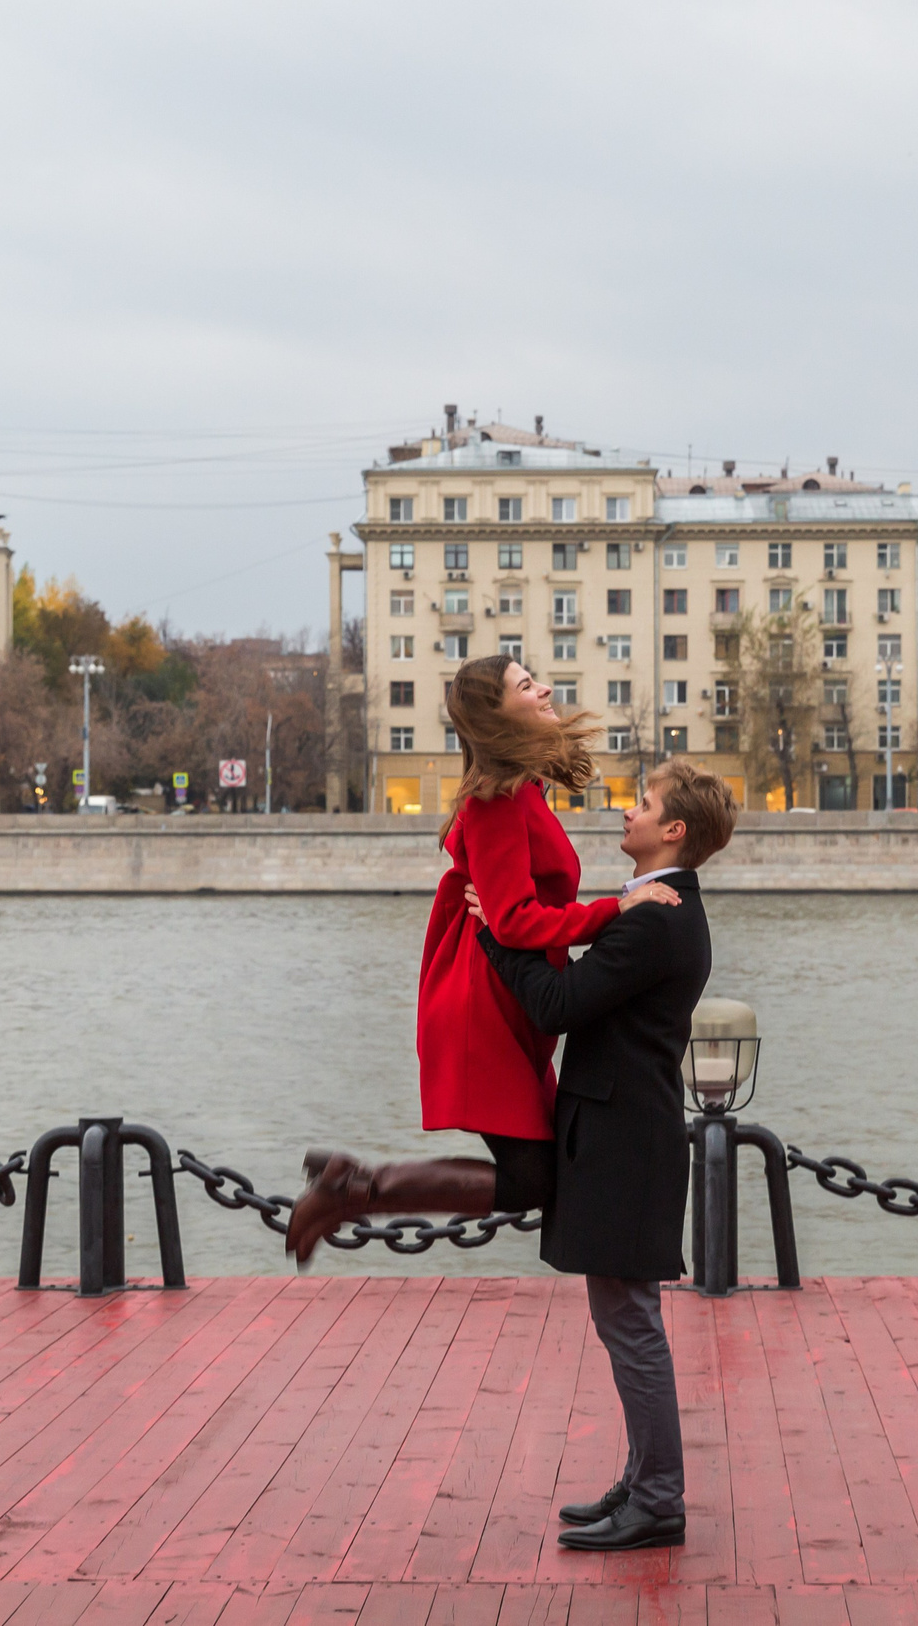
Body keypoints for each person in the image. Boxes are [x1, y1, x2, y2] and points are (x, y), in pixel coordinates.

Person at [284, 655, 681, 1263]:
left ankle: (352, 1184)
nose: (545, 688)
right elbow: (515, 921)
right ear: (496, 714)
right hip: (483, 1004)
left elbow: (515, 916)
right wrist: (615, 911)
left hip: (505, 999)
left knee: (540, 1175)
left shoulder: (522, 790)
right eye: (527, 685)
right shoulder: (498, 801)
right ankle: (354, 1188)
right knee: (532, 1179)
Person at [472, 759, 738, 1553]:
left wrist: (495, 929)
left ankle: (658, 1497)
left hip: (625, 1144)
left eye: (644, 803)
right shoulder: (656, 910)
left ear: (674, 830)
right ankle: (643, 1477)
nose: (628, 809)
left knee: (632, 1323)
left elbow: (557, 1004)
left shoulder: (655, 918)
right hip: (624, 1134)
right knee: (624, 1318)